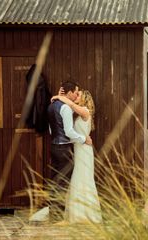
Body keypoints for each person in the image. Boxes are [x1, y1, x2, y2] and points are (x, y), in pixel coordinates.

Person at [51, 89, 102, 224]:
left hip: (84, 151)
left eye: (78, 95)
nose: (76, 96)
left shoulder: (85, 111)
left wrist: (57, 97)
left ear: (84, 98)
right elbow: (65, 110)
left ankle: (87, 215)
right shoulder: (78, 113)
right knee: (77, 180)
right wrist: (60, 97)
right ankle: (77, 214)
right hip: (78, 149)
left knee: (84, 179)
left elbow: (71, 105)